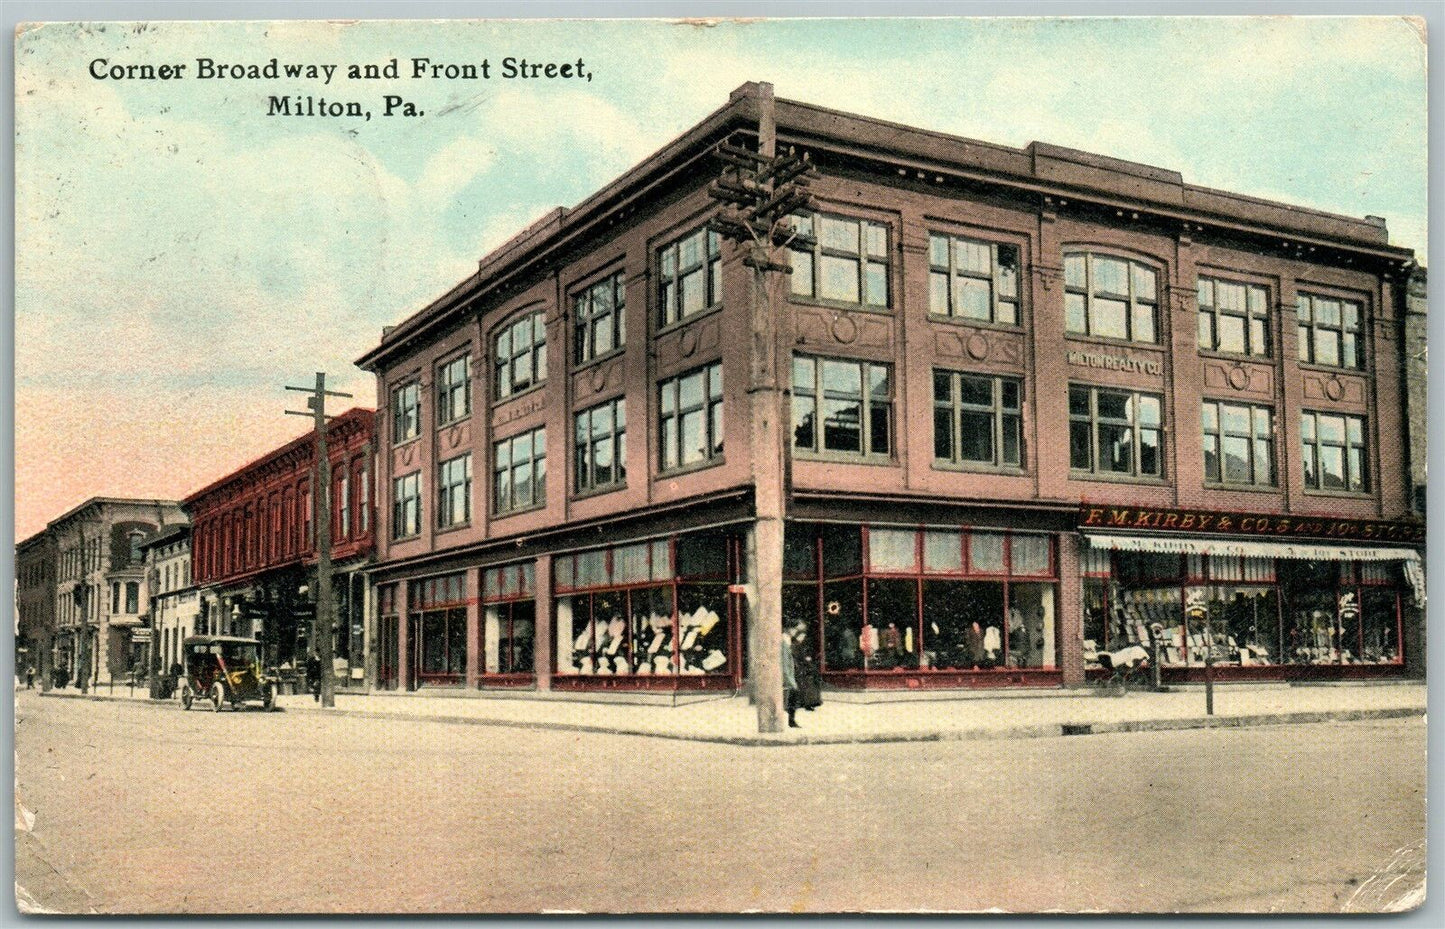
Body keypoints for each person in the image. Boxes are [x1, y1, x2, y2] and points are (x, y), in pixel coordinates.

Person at [781, 626, 799, 728]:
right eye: (794, 629)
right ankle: (791, 721)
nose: (795, 632)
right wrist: (789, 680)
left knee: (790, 699)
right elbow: (784, 663)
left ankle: (791, 721)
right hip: (787, 677)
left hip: (788, 675)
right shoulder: (783, 642)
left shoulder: (787, 640)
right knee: (791, 698)